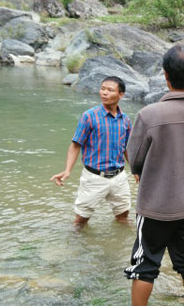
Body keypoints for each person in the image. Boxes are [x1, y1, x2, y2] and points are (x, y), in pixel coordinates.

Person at [114, 45, 184, 306]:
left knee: (144, 263)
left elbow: (135, 162)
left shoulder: (150, 115)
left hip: (155, 207)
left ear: (165, 76)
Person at [50, 76, 133, 228]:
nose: (104, 93)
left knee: (123, 216)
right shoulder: (89, 116)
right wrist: (67, 170)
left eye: (110, 90)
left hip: (119, 177)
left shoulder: (125, 120)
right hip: (94, 177)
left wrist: (135, 170)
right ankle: (75, 248)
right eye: (102, 89)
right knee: (80, 220)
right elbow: (76, 144)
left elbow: (127, 147)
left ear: (121, 94)